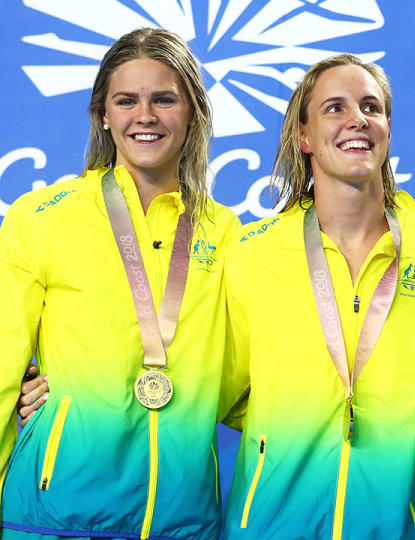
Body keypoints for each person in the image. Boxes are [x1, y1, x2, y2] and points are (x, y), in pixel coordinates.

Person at [217, 54, 415, 539]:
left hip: (399, 524)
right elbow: (214, 383)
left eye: (371, 108)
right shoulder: (252, 254)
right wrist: (60, 388)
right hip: (271, 525)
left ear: (388, 131)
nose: (358, 119)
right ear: (304, 136)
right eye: (335, 107)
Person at [0, 28, 240, 540]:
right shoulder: (42, 217)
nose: (145, 116)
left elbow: (246, 378)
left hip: (183, 519)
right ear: (102, 115)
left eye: (164, 100)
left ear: (193, 112)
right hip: (53, 515)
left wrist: (373, 416)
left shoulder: (227, 233)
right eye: (126, 100)